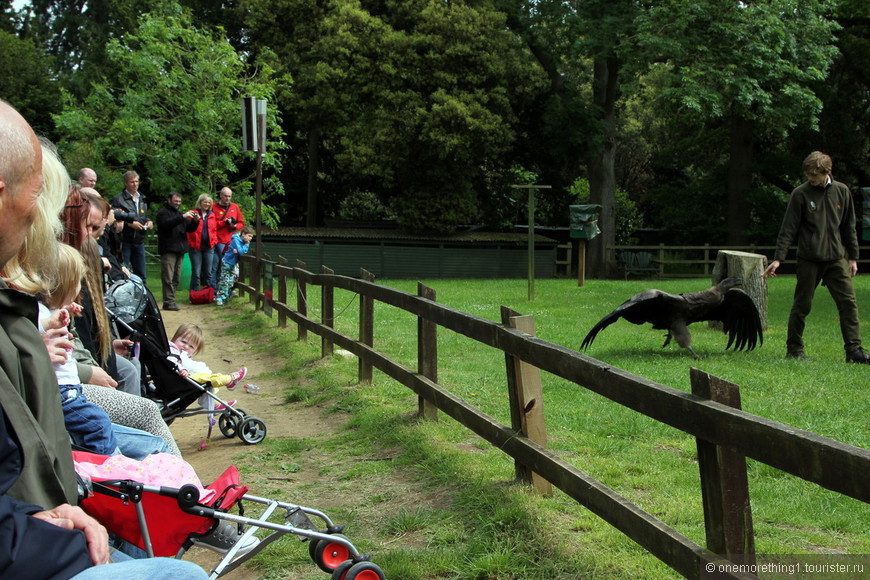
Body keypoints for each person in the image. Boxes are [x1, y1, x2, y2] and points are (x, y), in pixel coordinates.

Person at [0, 100, 209, 579]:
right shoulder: (39, 275)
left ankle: (184, 516)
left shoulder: (44, 277)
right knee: (138, 422)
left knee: (140, 401)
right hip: (44, 507)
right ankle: (186, 518)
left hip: (37, 512)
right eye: (37, 202)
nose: (43, 221)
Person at [37, 243, 170, 460]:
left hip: (72, 390)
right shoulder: (39, 313)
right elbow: (34, 327)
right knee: (98, 424)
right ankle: (109, 468)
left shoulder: (53, 309)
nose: (80, 289)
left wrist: (63, 310)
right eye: (76, 284)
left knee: (113, 414)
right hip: (63, 394)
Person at [763, 150, 870, 364]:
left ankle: (854, 350)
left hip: (837, 259)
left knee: (848, 303)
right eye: (808, 174)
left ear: (826, 172)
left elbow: (849, 226)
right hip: (809, 259)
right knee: (802, 305)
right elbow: (788, 228)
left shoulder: (842, 191)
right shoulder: (800, 194)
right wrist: (778, 258)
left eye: (814, 175)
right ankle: (794, 349)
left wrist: (853, 257)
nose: (810, 178)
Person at [156, 192, 197, 311]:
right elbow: (166, 224)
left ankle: (171, 300)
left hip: (180, 249)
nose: (178, 203)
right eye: (176, 201)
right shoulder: (163, 213)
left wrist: (195, 221)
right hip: (168, 249)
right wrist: (183, 217)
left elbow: (189, 228)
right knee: (168, 277)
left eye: (179, 201)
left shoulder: (179, 214)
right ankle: (168, 301)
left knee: (176, 277)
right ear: (169, 200)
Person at [111, 170, 152, 283]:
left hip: (139, 241)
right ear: (126, 183)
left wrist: (149, 222)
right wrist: (129, 224)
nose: (135, 184)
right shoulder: (118, 199)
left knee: (142, 274)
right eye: (132, 182)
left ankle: (143, 298)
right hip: (124, 241)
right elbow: (113, 217)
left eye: (137, 181)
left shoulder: (142, 199)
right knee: (124, 271)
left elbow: (143, 216)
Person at [211, 187, 244, 285]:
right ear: (220, 195)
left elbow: (241, 223)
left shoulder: (235, 207)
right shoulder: (213, 207)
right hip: (217, 240)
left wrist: (234, 226)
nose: (227, 198)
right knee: (216, 265)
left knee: (228, 265)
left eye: (229, 196)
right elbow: (210, 225)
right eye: (225, 196)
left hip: (231, 241)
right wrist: (224, 223)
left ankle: (227, 287)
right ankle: (213, 288)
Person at [214, 226, 253, 306]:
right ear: (243, 234)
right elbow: (241, 251)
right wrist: (245, 245)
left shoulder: (243, 242)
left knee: (233, 279)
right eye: (249, 236)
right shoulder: (236, 240)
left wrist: (242, 248)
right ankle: (220, 298)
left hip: (234, 263)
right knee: (225, 280)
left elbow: (243, 251)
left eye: (251, 237)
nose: (250, 239)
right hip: (227, 262)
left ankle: (226, 295)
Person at [186, 193, 218, 291]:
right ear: (200, 202)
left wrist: (214, 242)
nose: (207, 204)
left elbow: (214, 230)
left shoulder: (212, 215)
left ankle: (208, 293)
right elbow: (188, 229)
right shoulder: (193, 213)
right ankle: (194, 293)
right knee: (196, 272)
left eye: (209, 202)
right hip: (196, 247)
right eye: (205, 202)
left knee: (208, 272)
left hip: (209, 247)